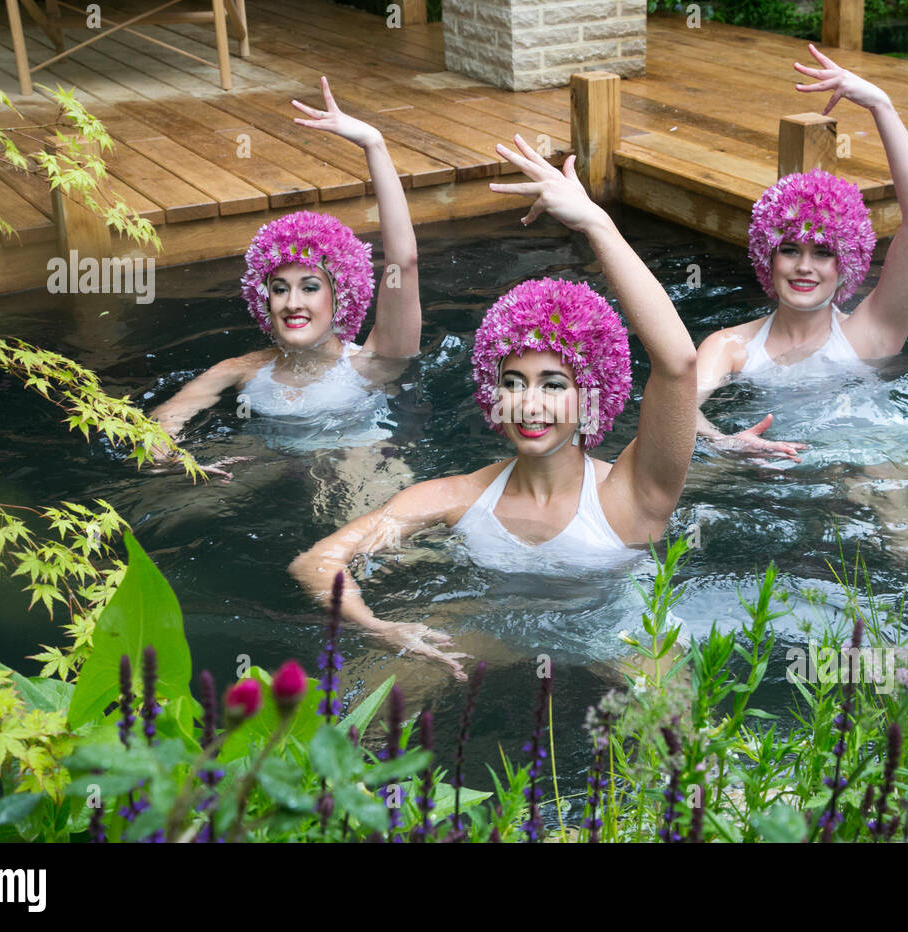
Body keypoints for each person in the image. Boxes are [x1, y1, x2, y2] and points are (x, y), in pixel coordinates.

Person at [289, 134, 698, 680]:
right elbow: (317, 562)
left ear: (590, 394)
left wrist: (597, 224)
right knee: (360, 698)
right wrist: (383, 630)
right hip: (494, 625)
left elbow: (678, 364)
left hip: (621, 632)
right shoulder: (455, 497)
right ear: (492, 394)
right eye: (514, 383)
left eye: (553, 384)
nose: (530, 404)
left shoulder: (632, 496)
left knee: (676, 758)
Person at [145, 76, 421, 475]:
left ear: (341, 296)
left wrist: (374, 145)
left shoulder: (373, 364)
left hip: (359, 470)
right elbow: (162, 422)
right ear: (264, 300)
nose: (292, 303)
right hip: (267, 466)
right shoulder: (240, 369)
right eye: (279, 289)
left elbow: (404, 263)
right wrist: (172, 463)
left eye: (310, 287)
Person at [695, 44, 908, 464]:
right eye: (789, 249)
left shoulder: (871, 334)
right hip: (788, 482)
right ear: (766, 257)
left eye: (823, 252)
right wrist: (724, 441)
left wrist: (882, 106)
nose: (804, 267)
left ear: (845, 263)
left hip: (886, 467)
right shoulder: (729, 347)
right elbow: (675, 409)